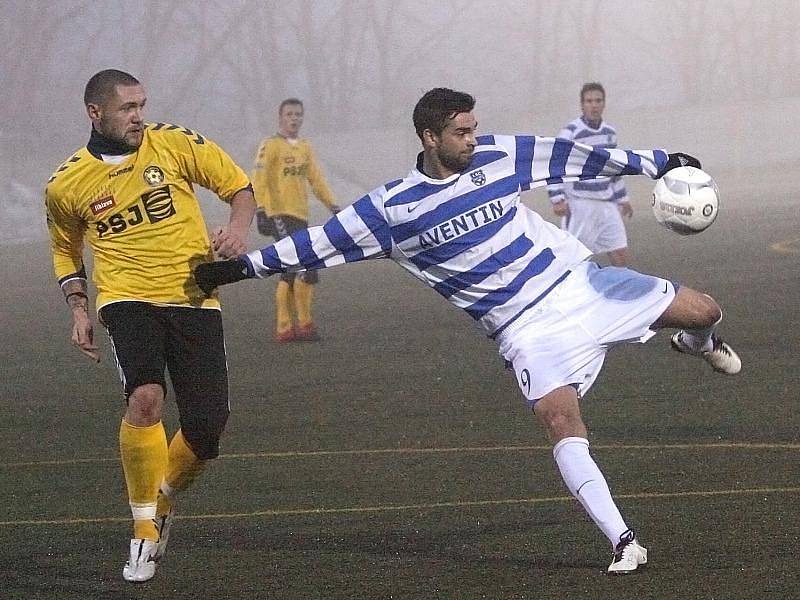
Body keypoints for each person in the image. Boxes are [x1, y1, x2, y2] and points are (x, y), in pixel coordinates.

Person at [194, 88, 741, 574]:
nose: (473, 139)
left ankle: (701, 343)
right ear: (429, 138)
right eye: (461, 132)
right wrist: (240, 268)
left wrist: (658, 162)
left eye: (474, 128)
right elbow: (319, 241)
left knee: (705, 309)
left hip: (583, 286)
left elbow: (574, 158)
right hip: (526, 330)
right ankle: (624, 541)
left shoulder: (498, 156)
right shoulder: (393, 208)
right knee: (560, 419)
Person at [45, 69, 256, 583]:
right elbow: (65, 250)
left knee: (207, 431)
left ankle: (160, 500)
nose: (139, 115)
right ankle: (143, 531)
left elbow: (239, 187)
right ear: (96, 113)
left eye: (142, 104)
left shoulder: (175, 142)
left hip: (192, 297)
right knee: (145, 396)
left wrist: (236, 229)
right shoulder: (66, 183)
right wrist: (78, 308)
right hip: (126, 298)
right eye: (127, 108)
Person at [250, 98, 340, 342]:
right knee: (293, 267)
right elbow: (259, 180)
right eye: (289, 114)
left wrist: (333, 205)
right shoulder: (270, 146)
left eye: (298, 114)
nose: (294, 118)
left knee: (308, 269)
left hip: (300, 216)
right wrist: (260, 210)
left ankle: (302, 324)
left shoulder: (304, 147)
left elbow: (316, 180)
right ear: (281, 117)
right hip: (278, 214)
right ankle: (286, 327)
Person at [548, 83, 633, 266]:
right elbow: (554, 164)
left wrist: (622, 198)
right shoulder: (570, 133)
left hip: (607, 204)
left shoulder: (610, 133)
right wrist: (557, 198)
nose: (594, 105)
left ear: (604, 103)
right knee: (575, 260)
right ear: (582, 104)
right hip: (580, 204)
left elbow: (612, 168)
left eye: (598, 101)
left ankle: (620, 293)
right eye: (589, 101)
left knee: (620, 253)